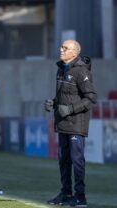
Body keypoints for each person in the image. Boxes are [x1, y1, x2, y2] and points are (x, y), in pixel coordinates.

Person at [44, 40, 97, 207]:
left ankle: (80, 197)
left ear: (74, 53)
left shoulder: (81, 72)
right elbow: (64, 97)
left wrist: (70, 109)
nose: (61, 49)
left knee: (77, 160)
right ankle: (66, 193)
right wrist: (53, 103)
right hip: (62, 123)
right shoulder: (61, 69)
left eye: (65, 48)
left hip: (76, 123)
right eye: (61, 47)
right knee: (63, 160)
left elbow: (91, 98)